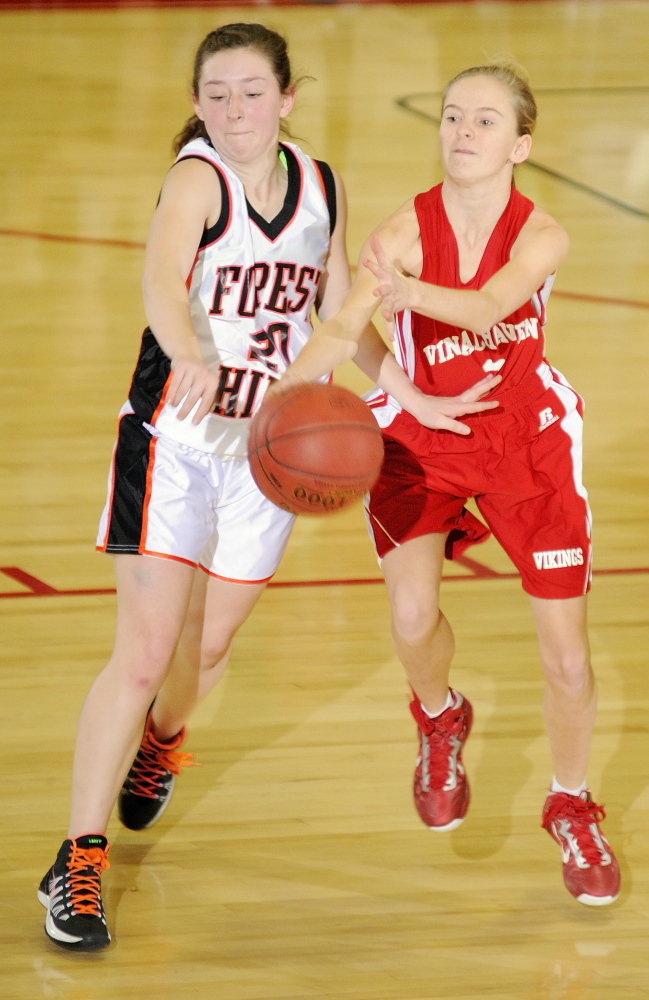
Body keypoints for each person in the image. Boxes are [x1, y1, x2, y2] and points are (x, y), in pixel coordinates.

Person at [37, 26, 499, 952]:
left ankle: (163, 741)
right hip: (172, 440)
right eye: (217, 93)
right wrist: (193, 349)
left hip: (268, 456)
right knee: (144, 649)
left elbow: (342, 312)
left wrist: (404, 394)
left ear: (287, 98)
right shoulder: (196, 178)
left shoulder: (319, 184)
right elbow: (161, 282)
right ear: (199, 102)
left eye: (252, 93)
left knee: (202, 657)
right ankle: (76, 863)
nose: (234, 110)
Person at [274, 64, 620, 907]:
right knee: (409, 613)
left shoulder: (541, 232)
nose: (463, 131)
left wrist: (399, 289)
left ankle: (569, 803)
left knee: (567, 659)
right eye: (453, 116)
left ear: (520, 145)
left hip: (525, 441)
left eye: (485, 121)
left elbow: (489, 305)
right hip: (423, 433)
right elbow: (344, 329)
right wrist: (280, 402)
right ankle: (439, 716)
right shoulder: (401, 232)